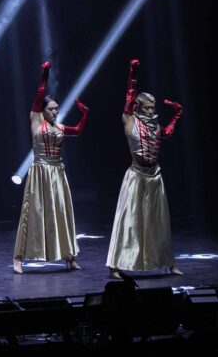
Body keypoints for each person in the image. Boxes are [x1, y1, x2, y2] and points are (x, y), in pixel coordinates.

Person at [106, 59, 184, 278]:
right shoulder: (130, 121)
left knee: (159, 221)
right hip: (136, 175)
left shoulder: (155, 126)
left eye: (152, 108)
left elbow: (167, 133)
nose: (150, 111)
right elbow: (129, 99)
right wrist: (133, 74)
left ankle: (168, 263)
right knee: (129, 221)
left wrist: (177, 115)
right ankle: (115, 266)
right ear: (139, 108)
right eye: (147, 108)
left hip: (155, 176)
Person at [13, 61, 88, 273]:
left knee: (61, 212)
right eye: (51, 109)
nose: (55, 112)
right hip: (40, 171)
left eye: (56, 109)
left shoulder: (60, 127)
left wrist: (84, 114)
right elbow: (40, 93)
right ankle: (18, 258)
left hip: (57, 172)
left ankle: (69, 256)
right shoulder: (36, 120)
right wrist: (45, 73)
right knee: (32, 213)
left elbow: (78, 130)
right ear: (42, 110)